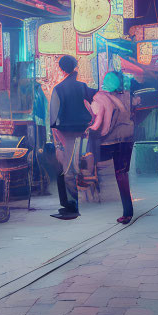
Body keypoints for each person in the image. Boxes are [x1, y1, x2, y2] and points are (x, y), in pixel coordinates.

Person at [48, 55, 94, 219]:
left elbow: (53, 118)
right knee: (69, 170)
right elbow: (96, 100)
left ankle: (72, 208)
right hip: (82, 133)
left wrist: (56, 140)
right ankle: (68, 205)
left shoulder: (59, 89)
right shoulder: (82, 86)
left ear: (61, 69)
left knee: (68, 171)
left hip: (67, 134)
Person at [89, 72, 135, 224]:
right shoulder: (127, 96)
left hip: (112, 142)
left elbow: (104, 127)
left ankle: (127, 212)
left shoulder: (100, 98)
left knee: (119, 175)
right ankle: (127, 209)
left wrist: (92, 131)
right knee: (122, 173)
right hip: (127, 139)